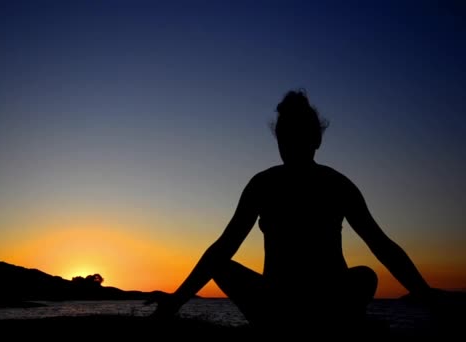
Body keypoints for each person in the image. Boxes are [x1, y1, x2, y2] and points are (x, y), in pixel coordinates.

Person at [146, 88, 438, 332]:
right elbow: (224, 247)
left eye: (296, 135)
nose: (289, 143)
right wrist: (176, 300)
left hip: (321, 299)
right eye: (285, 136)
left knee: (365, 276)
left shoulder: (333, 184)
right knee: (365, 276)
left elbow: (382, 245)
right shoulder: (267, 184)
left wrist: (428, 298)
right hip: (278, 303)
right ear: (280, 139)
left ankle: (326, 322)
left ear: (315, 139)